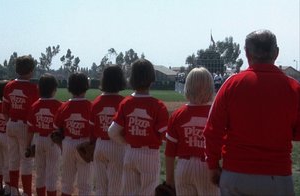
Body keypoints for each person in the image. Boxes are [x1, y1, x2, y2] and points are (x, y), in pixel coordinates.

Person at [204, 29, 300, 195]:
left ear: (247, 53)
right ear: (276, 53)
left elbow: (212, 130)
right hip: (277, 176)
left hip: (236, 173)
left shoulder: (231, 84)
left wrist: (212, 165)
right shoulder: (293, 88)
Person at [108, 59, 169, 195]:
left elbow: (112, 132)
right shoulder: (158, 106)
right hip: (150, 154)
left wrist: (126, 142)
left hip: (130, 153)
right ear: (152, 79)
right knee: (148, 191)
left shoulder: (126, 103)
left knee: (129, 192)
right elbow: (166, 136)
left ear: (132, 78)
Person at [165, 67, 219, 196]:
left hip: (184, 167)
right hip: (208, 167)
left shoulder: (178, 114)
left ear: (187, 87)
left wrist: (169, 179)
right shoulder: (216, 114)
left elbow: (169, 152)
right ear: (210, 88)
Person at [3, 55, 39, 196]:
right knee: (26, 161)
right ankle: (27, 193)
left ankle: (13, 190)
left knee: (13, 159)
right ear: (30, 70)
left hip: (11, 123)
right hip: (25, 126)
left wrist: (10, 123)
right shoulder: (32, 88)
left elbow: (4, 110)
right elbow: (34, 111)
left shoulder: (9, 85)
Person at [54, 73, 92, 196]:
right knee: (85, 185)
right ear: (86, 86)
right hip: (85, 144)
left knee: (66, 182)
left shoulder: (64, 106)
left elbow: (56, 129)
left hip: (68, 143)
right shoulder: (90, 106)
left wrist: (62, 145)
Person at [90, 65, 126, 195]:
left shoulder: (96, 101)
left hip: (100, 145)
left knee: (100, 187)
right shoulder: (123, 102)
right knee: (115, 189)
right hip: (118, 146)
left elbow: (92, 129)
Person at [26, 73, 62, 196]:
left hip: (38, 140)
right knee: (52, 173)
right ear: (54, 89)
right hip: (53, 141)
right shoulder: (59, 105)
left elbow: (30, 129)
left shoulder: (35, 105)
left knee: (40, 172)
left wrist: (28, 145)